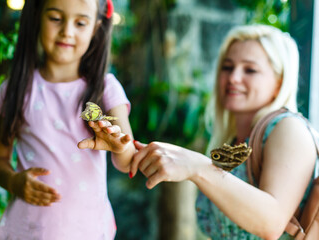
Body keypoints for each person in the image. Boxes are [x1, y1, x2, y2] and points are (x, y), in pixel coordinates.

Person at [130, 24, 318, 240]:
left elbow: (272, 223)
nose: (234, 78)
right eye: (227, 67)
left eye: (250, 70)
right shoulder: (232, 141)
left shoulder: (288, 128)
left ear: (279, 82)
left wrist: (198, 167)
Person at [0, 0, 135, 239]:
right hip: (26, 230)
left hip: (86, 230)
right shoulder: (14, 89)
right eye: (56, 18)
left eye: (80, 23)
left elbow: (126, 160)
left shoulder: (105, 88)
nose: (67, 31)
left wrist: (120, 145)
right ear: (37, 17)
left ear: (96, 27)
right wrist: (14, 181)